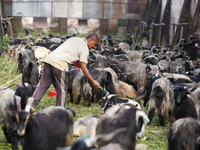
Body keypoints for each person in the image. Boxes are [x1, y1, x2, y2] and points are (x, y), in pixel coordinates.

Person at [31, 33, 100, 110]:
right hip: (60, 64)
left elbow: (66, 52)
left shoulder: (74, 39)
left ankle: (31, 105)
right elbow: (84, 68)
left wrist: (74, 63)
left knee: (43, 85)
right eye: (94, 44)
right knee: (62, 90)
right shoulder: (85, 48)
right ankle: (59, 112)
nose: (94, 47)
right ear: (90, 40)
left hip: (49, 60)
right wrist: (92, 81)